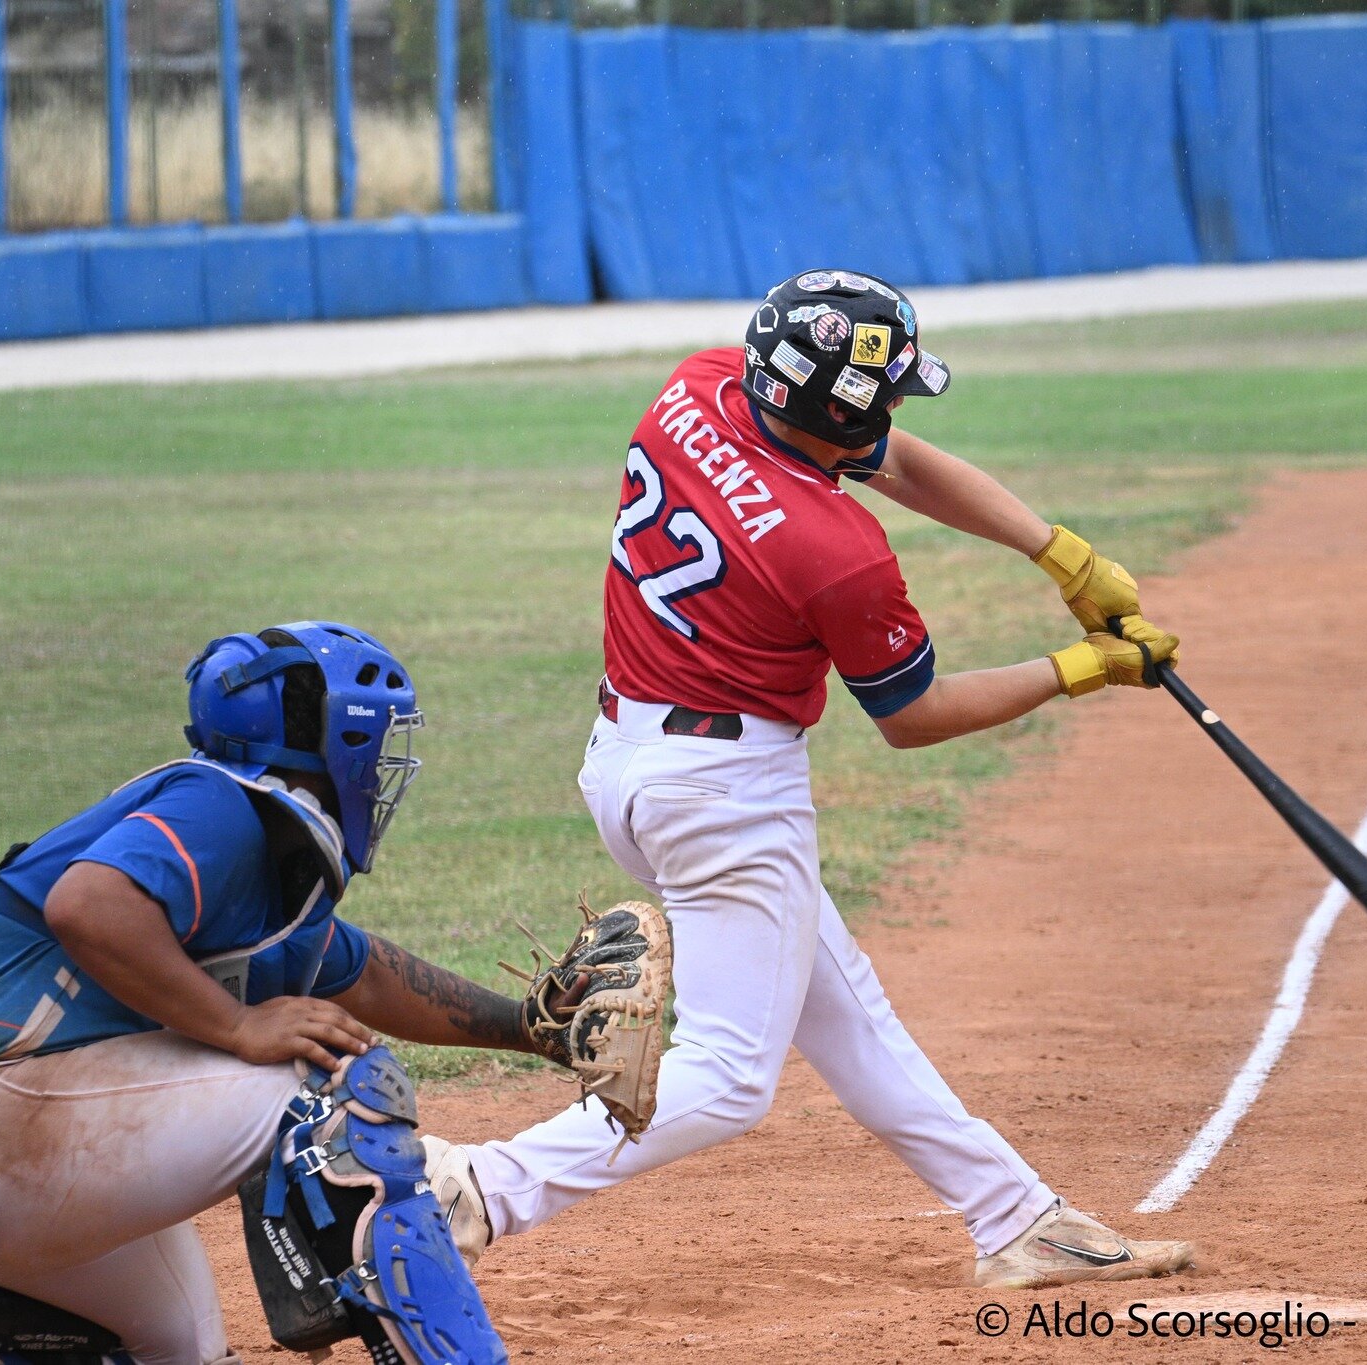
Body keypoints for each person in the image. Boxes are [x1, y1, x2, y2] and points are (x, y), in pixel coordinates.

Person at [421, 269, 1195, 1290]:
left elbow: (896, 461)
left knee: (847, 1017)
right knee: (733, 1079)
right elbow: (911, 717)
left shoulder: (700, 387)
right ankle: (478, 1186)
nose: (895, 409)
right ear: (835, 406)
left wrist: (1056, 553)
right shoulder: (835, 552)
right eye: (883, 393)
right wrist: (1080, 669)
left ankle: (1016, 1221)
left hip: (632, 762)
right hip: (724, 798)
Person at [0, 621, 665, 1365]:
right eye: (378, 737)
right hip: (1, 1119)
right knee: (330, 1096)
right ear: (334, 740)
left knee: (178, 1348)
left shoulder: (263, 857)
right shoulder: (216, 802)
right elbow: (86, 905)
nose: (387, 764)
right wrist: (238, 1025)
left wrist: (528, 1028)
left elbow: (359, 972)